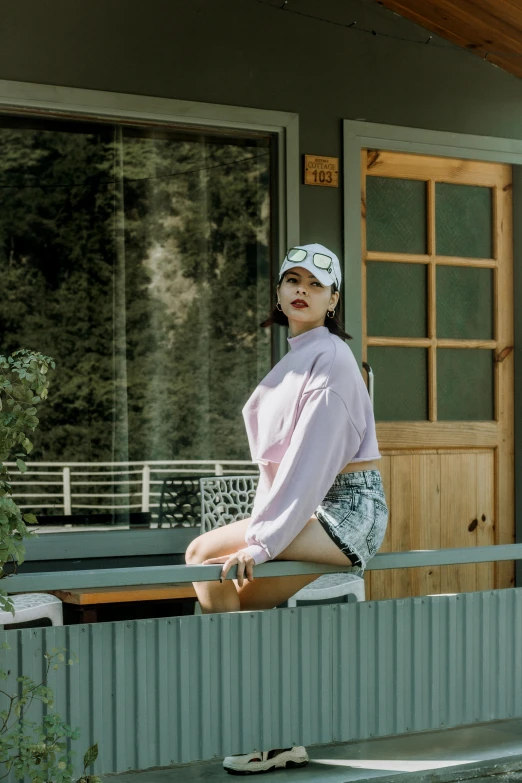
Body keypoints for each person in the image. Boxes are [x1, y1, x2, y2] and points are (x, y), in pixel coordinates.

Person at [185, 242, 388, 775]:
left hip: (349, 511)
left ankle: (253, 730)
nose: (301, 290)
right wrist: (263, 531)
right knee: (212, 568)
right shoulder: (299, 356)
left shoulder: (333, 359)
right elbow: (277, 470)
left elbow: (312, 461)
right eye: (292, 280)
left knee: (212, 568)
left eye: (315, 284)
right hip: (314, 506)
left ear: (333, 299)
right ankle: (269, 734)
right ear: (278, 292)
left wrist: (264, 540)